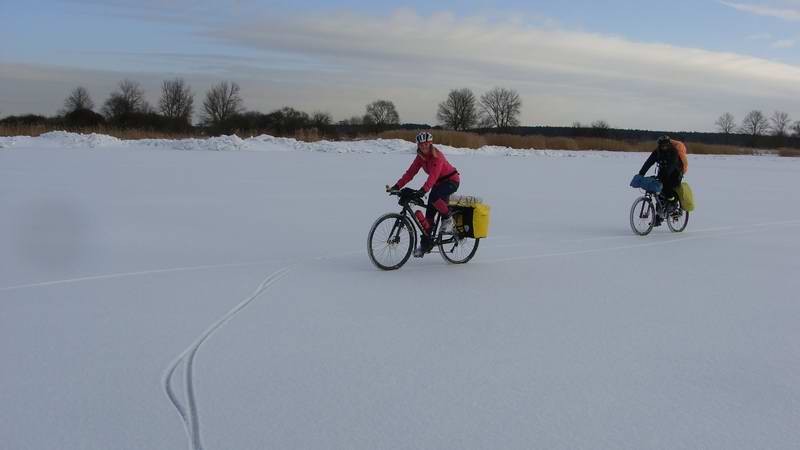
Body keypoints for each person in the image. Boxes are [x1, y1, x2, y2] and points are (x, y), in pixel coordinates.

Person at [391, 132, 460, 257]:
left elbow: (433, 177)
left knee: (435, 197)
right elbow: (410, 173)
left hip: (451, 181)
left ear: (430, 144)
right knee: (429, 213)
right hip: (438, 183)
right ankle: (425, 245)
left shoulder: (437, 157)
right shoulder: (420, 157)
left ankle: (448, 218)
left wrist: (423, 190)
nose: (423, 147)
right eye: (421, 144)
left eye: (426, 144)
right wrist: (397, 186)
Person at [638, 136, 688, 223]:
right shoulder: (657, 152)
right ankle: (659, 216)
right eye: (662, 145)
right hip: (662, 173)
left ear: (669, 144)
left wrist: (664, 175)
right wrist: (641, 174)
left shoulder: (673, 152)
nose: (664, 147)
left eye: (666, 145)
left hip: (675, 174)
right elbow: (648, 162)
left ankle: (673, 206)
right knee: (658, 193)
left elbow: (672, 165)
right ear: (659, 145)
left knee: (667, 188)